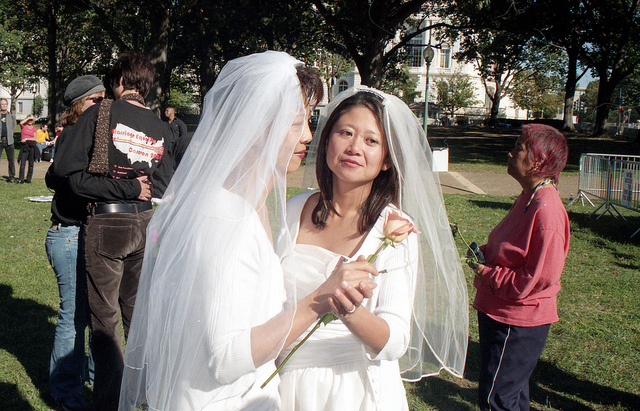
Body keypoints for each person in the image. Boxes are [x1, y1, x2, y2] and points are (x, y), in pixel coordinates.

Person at [118, 51, 379, 410]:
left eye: (308, 120)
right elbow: (225, 359)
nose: (307, 134)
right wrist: (322, 299)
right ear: (255, 125)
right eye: (294, 122)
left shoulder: (251, 205)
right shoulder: (225, 218)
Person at [276, 87, 469, 410]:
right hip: (284, 382)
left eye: (371, 141)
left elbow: (395, 341)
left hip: (352, 389)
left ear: (386, 161)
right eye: (345, 133)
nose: (354, 148)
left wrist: (348, 309)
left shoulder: (394, 230)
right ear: (326, 142)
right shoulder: (295, 208)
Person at [52, 52, 171, 411]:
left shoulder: (99, 114)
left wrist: (123, 188)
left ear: (119, 82)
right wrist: (136, 186)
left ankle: (110, 403)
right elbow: (165, 185)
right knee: (137, 315)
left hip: (109, 223)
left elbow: (67, 174)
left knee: (105, 321)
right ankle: (145, 396)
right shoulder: (161, 126)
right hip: (145, 224)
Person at [469, 124, 570, 411]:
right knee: (511, 394)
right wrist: (486, 254)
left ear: (539, 161)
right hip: (500, 311)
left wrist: (487, 273)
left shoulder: (546, 210)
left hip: (518, 320)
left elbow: (536, 279)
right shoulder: (529, 196)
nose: (511, 152)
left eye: (520, 147)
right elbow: (513, 248)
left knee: (497, 399)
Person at [45, 74, 106, 411]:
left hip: (92, 233)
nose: (102, 107)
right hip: (69, 234)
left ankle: (101, 382)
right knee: (74, 316)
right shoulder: (71, 136)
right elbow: (64, 180)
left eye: (103, 100)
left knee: (98, 314)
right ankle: (66, 391)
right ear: (79, 105)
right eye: (95, 101)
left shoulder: (96, 136)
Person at [164, 106, 190, 170]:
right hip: (166, 145)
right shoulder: (164, 122)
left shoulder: (179, 123)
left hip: (175, 146)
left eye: (167, 111)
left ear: (172, 112)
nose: (165, 112)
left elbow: (184, 135)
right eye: (165, 111)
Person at [0, 98, 17, 182]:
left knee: (11, 160)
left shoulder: (11, 116)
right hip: (0, 141)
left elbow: (14, 126)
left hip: (9, 141)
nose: (4, 106)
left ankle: (12, 177)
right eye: (2, 104)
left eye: (5, 104)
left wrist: (10, 134)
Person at [18, 114, 37, 183]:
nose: (30, 121)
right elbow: (21, 123)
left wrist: (27, 139)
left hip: (31, 146)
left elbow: (35, 138)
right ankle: (21, 179)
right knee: (22, 164)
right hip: (24, 147)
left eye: (31, 120)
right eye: (29, 120)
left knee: (31, 164)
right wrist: (29, 117)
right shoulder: (24, 127)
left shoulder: (34, 129)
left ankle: (29, 179)